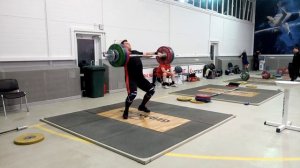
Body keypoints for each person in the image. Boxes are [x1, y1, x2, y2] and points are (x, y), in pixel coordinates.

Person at [121, 40, 163, 119]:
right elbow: (117, 61)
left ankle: (142, 106)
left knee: (151, 90)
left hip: (140, 78)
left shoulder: (135, 52)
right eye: (126, 43)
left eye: (128, 43)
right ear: (123, 47)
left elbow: (146, 54)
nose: (129, 44)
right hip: (131, 78)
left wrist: (156, 53)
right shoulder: (123, 55)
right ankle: (126, 111)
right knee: (132, 95)